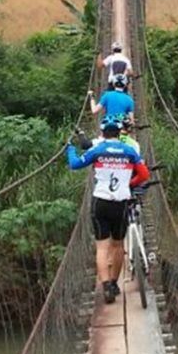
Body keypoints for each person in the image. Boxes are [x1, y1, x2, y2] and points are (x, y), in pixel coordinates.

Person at [67, 115, 150, 304]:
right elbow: (144, 174)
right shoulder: (130, 151)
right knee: (118, 245)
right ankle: (114, 283)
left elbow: (74, 164)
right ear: (120, 132)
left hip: (101, 202)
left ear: (103, 133)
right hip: (121, 203)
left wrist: (70, 149)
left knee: (102, 247)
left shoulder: (97, 150)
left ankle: (105, 287)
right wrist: (130, 183)